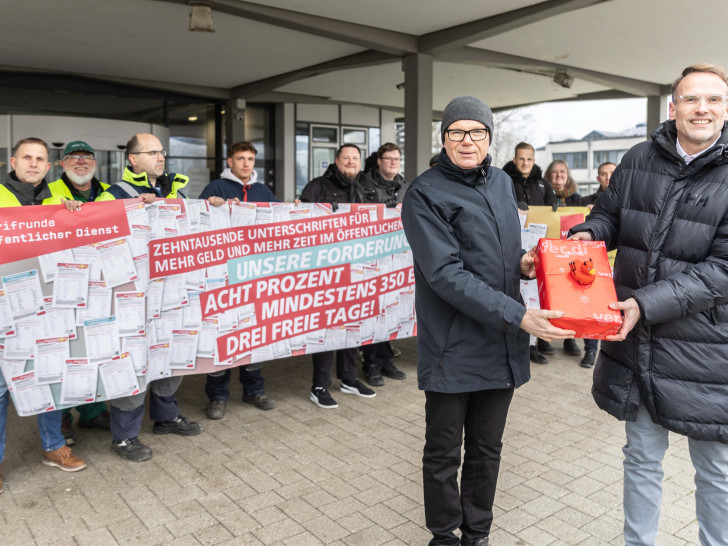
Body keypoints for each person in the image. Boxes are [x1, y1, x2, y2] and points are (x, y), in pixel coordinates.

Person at [402, 96, 574, 546]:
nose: (467, 140)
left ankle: (476, 534)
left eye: (477, 132)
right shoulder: (424, 193)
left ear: (489, 138)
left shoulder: (500, 182)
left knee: (487, 450)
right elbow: (447, 275)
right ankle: (443, 537)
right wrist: (519, 316)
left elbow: (495, 253)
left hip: (499, 345)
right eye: (457, 131)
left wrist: (522, 265)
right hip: (453, 346)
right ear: (443, 138)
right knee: (443, 454)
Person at [569, 64, 728, 545]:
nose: (702, 108)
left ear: (726, 109)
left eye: (714, 100)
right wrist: (584, 237)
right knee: (639, 458)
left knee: (716, 471)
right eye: (691, 99)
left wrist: (642, 303)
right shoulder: (638, 157)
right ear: (673, 107)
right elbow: (608, 217)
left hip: (706, 350)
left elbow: (723, 269)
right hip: (634, 339)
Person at [99, 133, 201, 462]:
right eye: (152, 152)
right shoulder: (112, 195)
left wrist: (216, 208)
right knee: (134, 363)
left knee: (170, 357)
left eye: (162, 152)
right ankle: (125, 437)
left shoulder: (176, 192)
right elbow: (97, 242)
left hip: (170, 293)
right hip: (134, 297)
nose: (161, 157)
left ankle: (166, 418)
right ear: (133, 159)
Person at [0, 138, 88, 489]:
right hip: (5, 309)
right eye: (27, 158)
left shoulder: (57, 202)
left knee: (50, 376)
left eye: (40, 159)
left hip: (47, 308)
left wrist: (77, 216)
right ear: (14, 161)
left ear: (48, 167)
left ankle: (54, 447)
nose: (34, 164)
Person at [198, 141, 276, 419]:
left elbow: (279, 225)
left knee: (253, 336)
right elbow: (198, 226)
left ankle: (255, 391)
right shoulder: (215, 189)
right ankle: (217, 397)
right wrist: (212, 208)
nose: (246, 164)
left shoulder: (264, 191)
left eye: (251, 159)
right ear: (229, 162)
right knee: (222, 335)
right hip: (223, 276)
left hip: (255, 275)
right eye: (240, 158)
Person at [299, 143, 379, 408]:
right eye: (346, 158)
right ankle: (319, 385)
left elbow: (380, 222)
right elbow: (302, 224)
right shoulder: (317, 186)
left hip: (359, 269)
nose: (350, 162)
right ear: (336, 160)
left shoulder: (369, 188)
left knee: (352, 325)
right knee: (327, 328)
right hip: (327, 270)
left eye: (355, 158)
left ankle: (349, 378)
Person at [49, 141, 112, 445]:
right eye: (74, 157)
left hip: (100, 283)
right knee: (63, 353)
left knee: (95, 349)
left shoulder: (110, 193)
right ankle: (61, 419)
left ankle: (93, 411)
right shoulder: (48, 193)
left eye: (87, 157)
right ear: (63, 164)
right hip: (62, 285)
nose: (81, 162)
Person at [503, 143, 557, 364]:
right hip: (512, 247)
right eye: (521, 159)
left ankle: (533, 345)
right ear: (515, 159)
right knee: (514, 296)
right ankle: (514, 342)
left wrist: (554, 205)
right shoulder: (503, 180)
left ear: (534, 160)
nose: (525, 163)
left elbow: (554, 203)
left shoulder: (543, 184)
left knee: (535, 297)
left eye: (529, 159)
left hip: (536, 249)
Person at [361, 143, 408, 386]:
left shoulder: (405, 187)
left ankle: (387, 360)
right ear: (379, 161)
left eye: (396, 159)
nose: (392, 162)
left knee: (390, 310)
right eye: (388, 158)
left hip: (396, 259)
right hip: (369, 258)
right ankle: (371, 365)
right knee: (373, 312)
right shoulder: (362, 185)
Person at [539, 160, 583, 358]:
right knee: (547, 294)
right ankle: (543, 337)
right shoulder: (541, 196)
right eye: (554, 172)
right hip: (549, 253)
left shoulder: (577, 199)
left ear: (568, 175)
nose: (558, 176)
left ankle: (569, 339)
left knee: (570, 297)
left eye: (562, 172)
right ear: (548, 176)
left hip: (571, 255)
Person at [578, 161, 617, 368]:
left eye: (612, 173)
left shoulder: (631, 199)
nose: (608, 177)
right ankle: (591, 350)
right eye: (604, 174)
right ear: (598, 178)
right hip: (594, 263)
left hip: (619, 262)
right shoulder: (585, 201)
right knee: (593, 306)